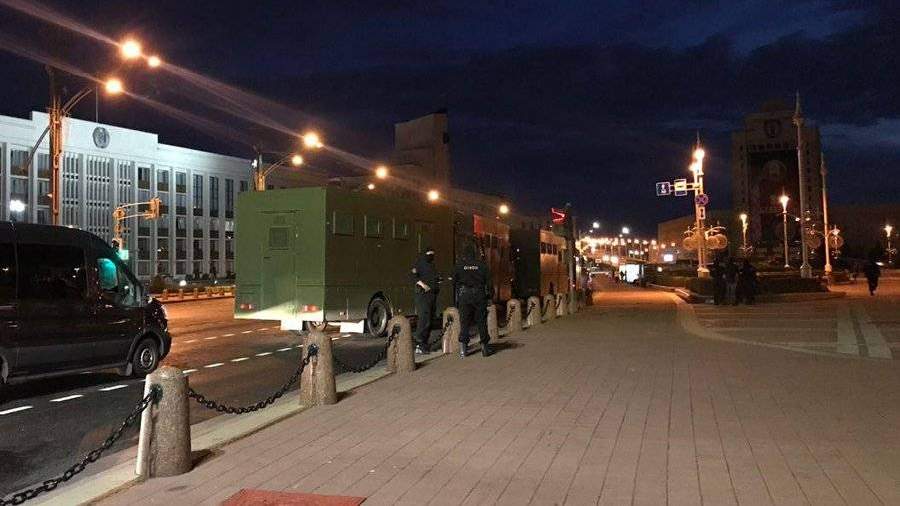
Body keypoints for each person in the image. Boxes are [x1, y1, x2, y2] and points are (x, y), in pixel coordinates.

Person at [453, 243, 493, 358]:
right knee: (481, 321)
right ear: (475, 254)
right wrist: (490, 296)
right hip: (479, 295)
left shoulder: (459, 265)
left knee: (464, 322)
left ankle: (463, 349)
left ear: (464, 254)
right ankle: (484, 347)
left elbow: (454, 281)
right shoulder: (482, 265)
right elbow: (489, 282)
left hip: (464, 296)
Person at [410, 246, 439, 355]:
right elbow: (413, 276)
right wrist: (422, 285)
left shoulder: (432, 264)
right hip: (423, 295)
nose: (431, 255)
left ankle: (424, 344)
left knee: (430, 320)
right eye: (430, 253)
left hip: (432, 295)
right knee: (424, 319)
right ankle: (419, 344)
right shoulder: (419, 263)